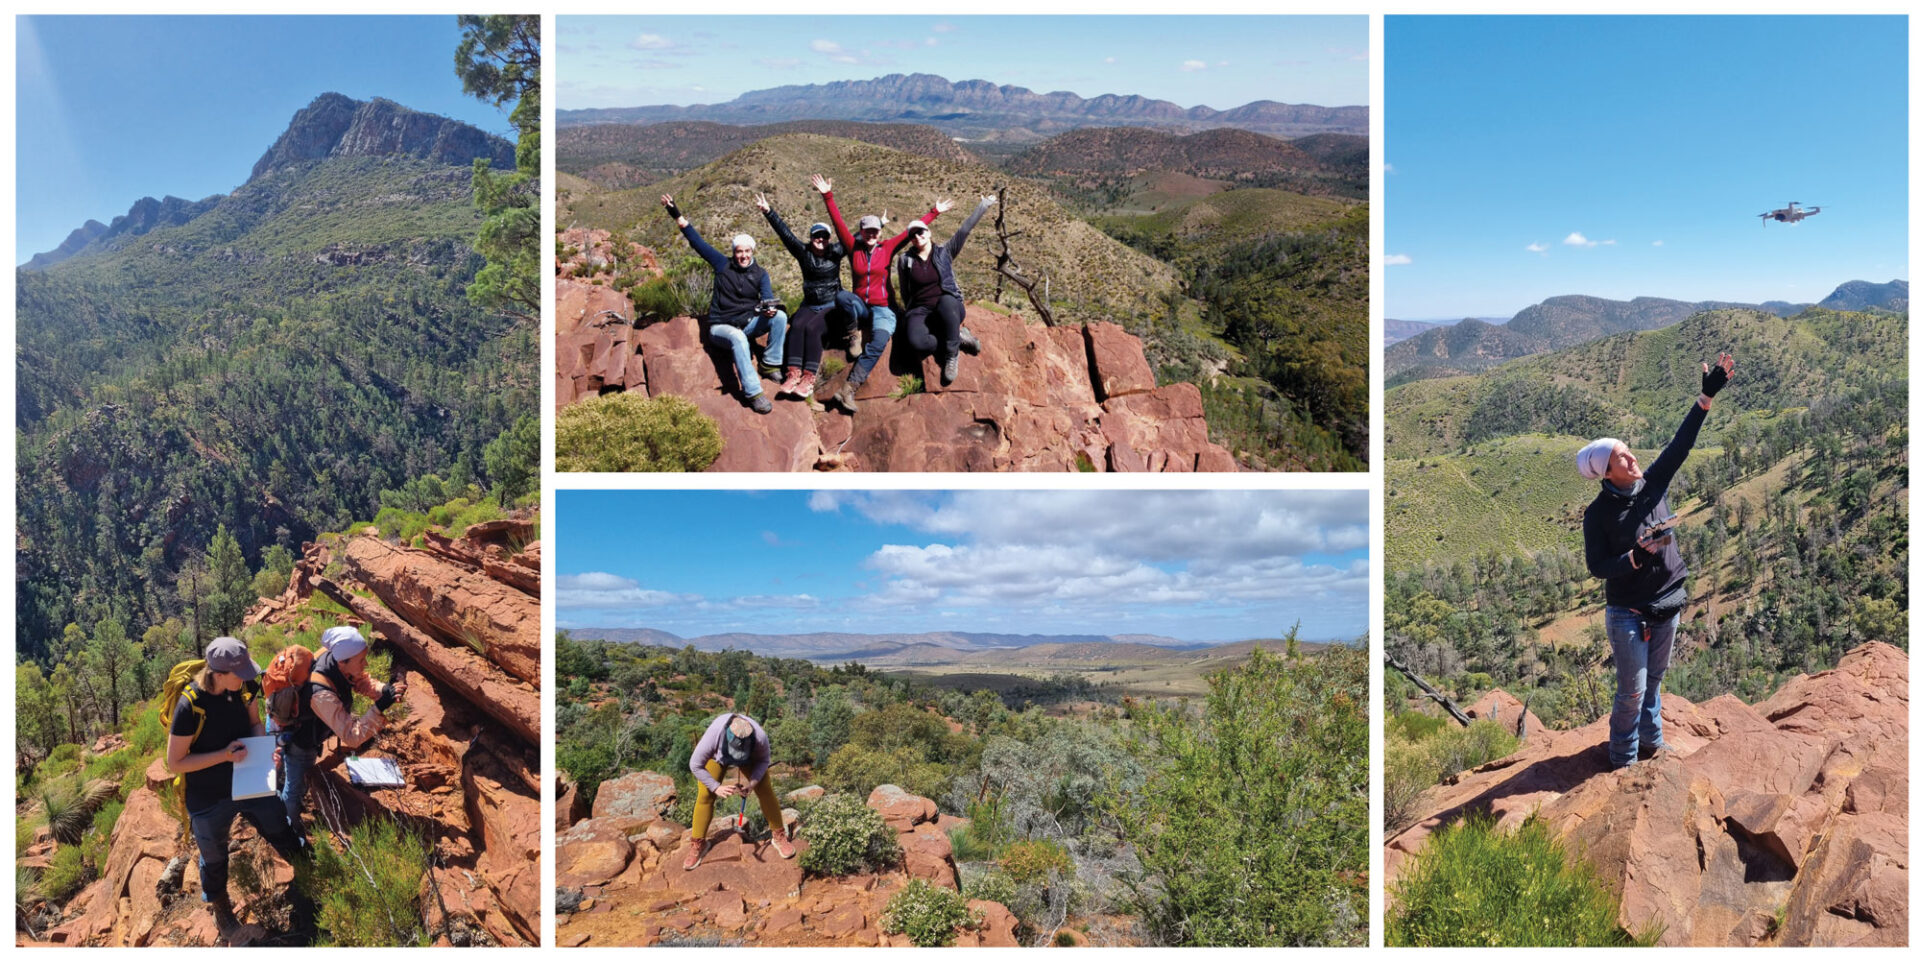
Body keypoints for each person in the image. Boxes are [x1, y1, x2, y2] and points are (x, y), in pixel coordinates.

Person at [1579, 352, 1734, 770]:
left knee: (1655, 685)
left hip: (1667, 604)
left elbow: (1680, 445)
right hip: (1627, 613)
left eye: (1629, 452)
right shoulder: (1598, 516)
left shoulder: (1651, 484)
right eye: (1622, 460)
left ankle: (1652, 746)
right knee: (1631, 690)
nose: (1633, 460)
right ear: (1606, 474)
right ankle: (1623, 762)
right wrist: (1633, 556)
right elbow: (1598, 567)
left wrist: (1705, 397)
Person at [167, 636, 312, 940]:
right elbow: (176, 762)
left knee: (278, 825)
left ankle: (308, 873)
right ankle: (221, 908)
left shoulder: (244, 687)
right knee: (214, 855)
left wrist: (264, 748)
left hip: (249, 777)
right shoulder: (190, 705)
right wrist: (223, 756)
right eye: (240, 672)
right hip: (208, 794)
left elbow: (255, 723)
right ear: (218, 675)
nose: (248, 677)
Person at [661, 193, 788, 414]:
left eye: (747, 251)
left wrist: (769, 309)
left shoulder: (760, 274)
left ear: (752, 252)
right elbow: (696, 241)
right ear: (734, 252)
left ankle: (770, 364)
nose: (743, 256)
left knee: (780, 317)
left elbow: (767, 297)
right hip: (722, 327)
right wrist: (675, 212)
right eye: (739, 251)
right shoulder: (722, 265)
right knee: (738, 338)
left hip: (747, 323)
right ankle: (753, 393)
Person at [829, 185, 951, 413]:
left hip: (884, 308)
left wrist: (934, 211)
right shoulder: (852, 247)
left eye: (876, 231)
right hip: (860, 306)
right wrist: (828, 196)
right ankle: (852, 333)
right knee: (842, 297)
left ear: (880, 232)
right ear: (861, 231)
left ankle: (848, 389)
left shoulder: (887, 247)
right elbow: (837, 223)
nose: (872, 235)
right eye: (868, 231)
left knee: (879, 341)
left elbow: (910, 233)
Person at [279, 626, 406, 831]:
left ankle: (280, 786)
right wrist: (379, 708)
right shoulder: (320, 693)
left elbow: (361, 680)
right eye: (361, 660)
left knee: (287, 774)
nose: (366, 664)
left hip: (301, 729)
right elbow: (352, 736)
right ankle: (290, 828)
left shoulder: (336, 658)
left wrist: (384, 690)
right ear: (342, 662)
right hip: (299, 741)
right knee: (295, 789)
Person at [755, 181, 850, 400]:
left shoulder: (836, 251)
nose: (820, 239)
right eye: (816, 236)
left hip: (831, 304)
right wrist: (769, 212)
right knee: (797, 325)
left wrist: (879, 224)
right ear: (811, 238)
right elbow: (785, 234)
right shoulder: (803, 253)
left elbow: (849, 235)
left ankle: (808, 378)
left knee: (813, 329)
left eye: (824, 236)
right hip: (809, 303)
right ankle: (793, 373)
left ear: (829, 239)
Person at [889, 195, 996, 386]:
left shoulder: (945, 252)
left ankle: (951, 354)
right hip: (921, 309)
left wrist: (983, 205)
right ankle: (957, 337)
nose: (917, 237)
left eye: (920, 232)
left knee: (946, 303)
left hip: (948, 306)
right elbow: (905, 291)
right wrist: (911, 313)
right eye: (912, 235)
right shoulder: (905, 260)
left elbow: (964, 230)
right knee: (917, 342)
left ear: (928, 233)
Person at [684, 713, 794, 870]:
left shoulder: (760, 738)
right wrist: (716, 787)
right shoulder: (714, 734)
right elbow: (695, 765)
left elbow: (764, 761)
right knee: (705, 795)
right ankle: (698, 844)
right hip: (717, 758)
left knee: (765, 790)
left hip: (751, 759)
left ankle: (779, 836)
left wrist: (752, 784)